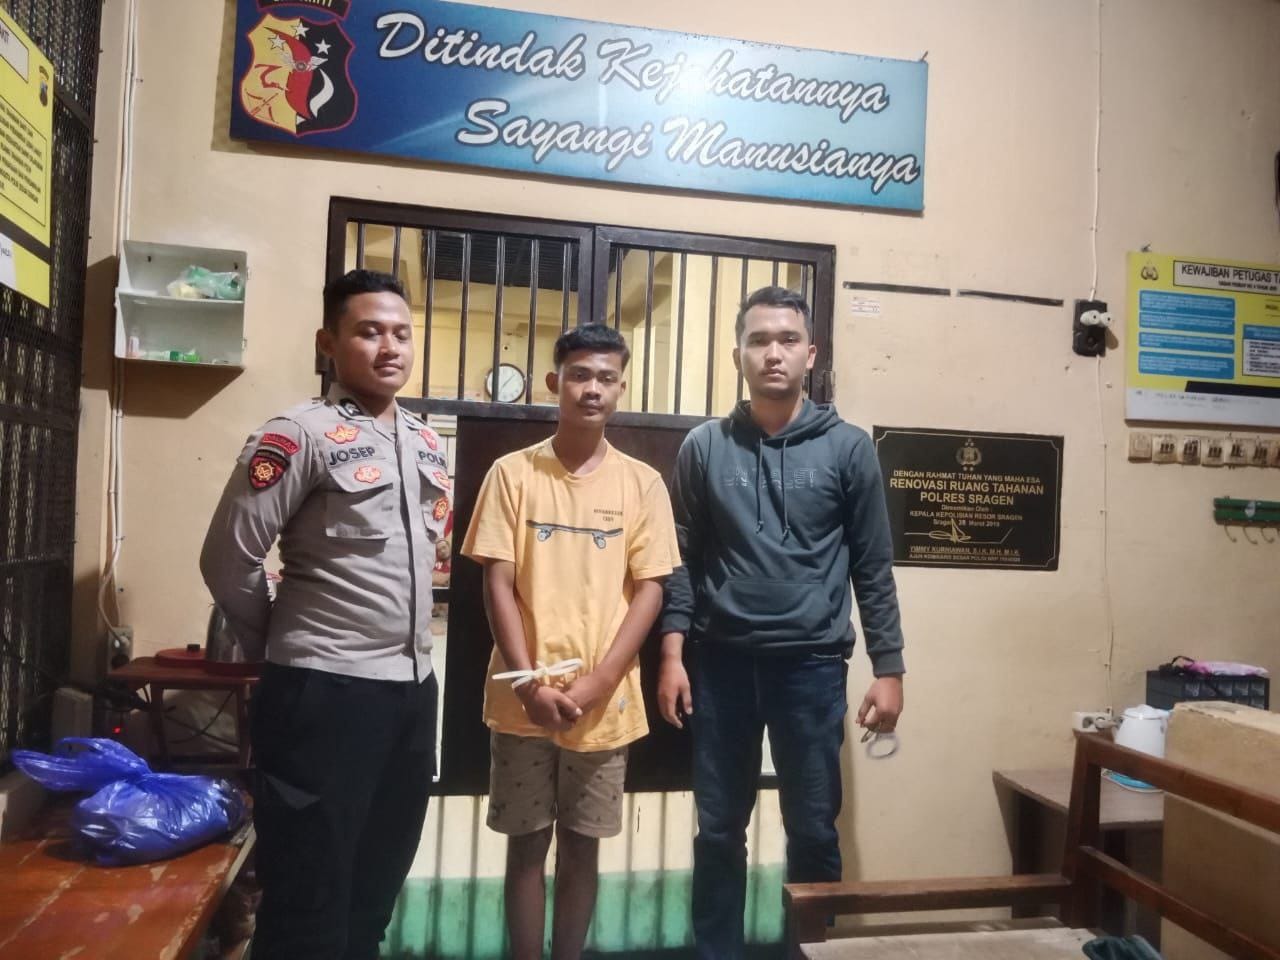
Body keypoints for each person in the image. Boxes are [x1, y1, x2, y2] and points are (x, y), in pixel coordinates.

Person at [200, 269, 450, 960]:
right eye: (369, 332)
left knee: (374, 896)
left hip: (411, 694)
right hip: (323, 694)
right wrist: (280, 644)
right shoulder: (298, 435)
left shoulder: (425, 442)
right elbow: (228, 560)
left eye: (401, 333)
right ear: (329, 342)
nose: (389, 347)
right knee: (308, 903)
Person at [658, 286, 906, 959]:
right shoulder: (704, 448)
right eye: (760, 339)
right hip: (721, 665)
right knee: (718, 830)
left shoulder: (848, 449)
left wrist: (889, 669)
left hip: (812, 668)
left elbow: (873, 565)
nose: (774, 352)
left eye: (788, 339)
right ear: (738, 353)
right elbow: (681, 562)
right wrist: (672, 655)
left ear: (811, 353)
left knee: (814, 830)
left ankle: (811, 951)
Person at [461, 323, 680, 960]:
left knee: (583, 848)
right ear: (555, 383)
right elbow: (497, 584)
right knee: (526, 846)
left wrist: (600, 681)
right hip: (521, 702)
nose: (592, 389)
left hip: (604, 705)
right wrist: (530, 684)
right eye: (580, 375)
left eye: (606, 378)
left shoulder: (642, 483)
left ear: (620, 388)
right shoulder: (512, 474)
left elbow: (651, 590)